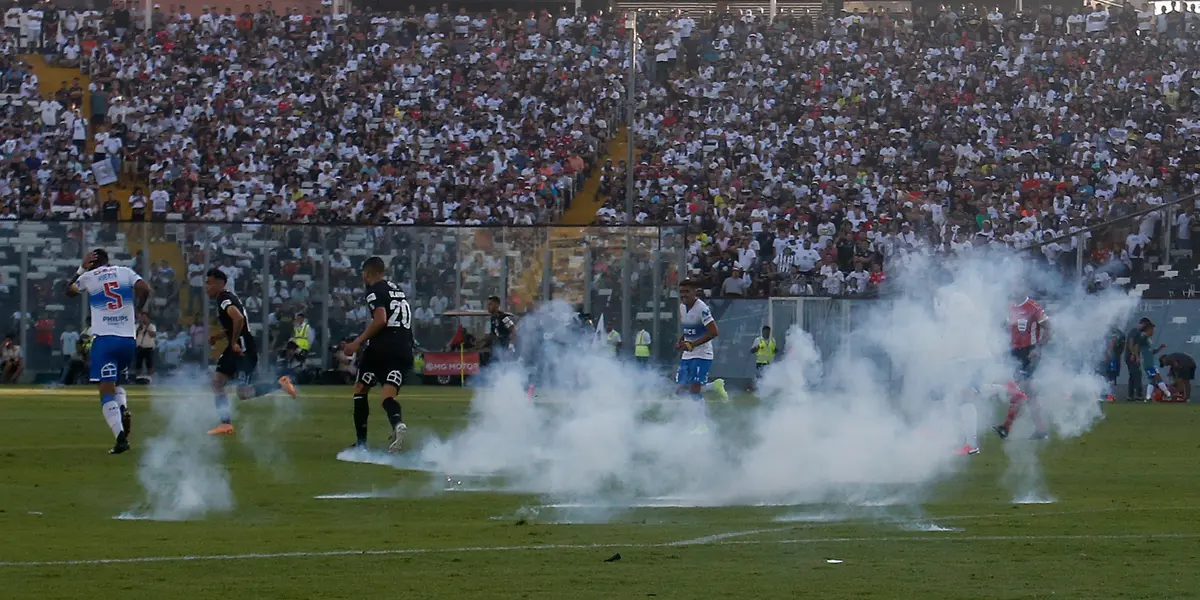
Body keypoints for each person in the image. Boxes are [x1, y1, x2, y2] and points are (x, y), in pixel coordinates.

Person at [65, 249, 151, 454]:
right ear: (108, 261)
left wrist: (81, 268)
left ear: (92, 263)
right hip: (128, 341)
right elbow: (145, 289)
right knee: (116, 383)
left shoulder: (89, 276)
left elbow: (69, 291)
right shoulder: (125, 272)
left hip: (105, 340)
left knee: (105, 391)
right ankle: (122, 408)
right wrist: (138, 309)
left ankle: (121, 439)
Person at [205, 268, 296, 435]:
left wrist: (233, 343)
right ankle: (225, 424)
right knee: (218, 383)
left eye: (209, 283)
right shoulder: (225, 298)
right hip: (239, 346)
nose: (206, 287)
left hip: (242, 348)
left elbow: (238, 319)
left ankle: (280, 383)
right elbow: (236, 322)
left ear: (220, 283)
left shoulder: (224, 299)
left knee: (243, 393)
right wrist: (219, 337)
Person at [342, 257, 414, 453]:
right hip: (404, 348)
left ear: (368, 273)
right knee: (387, 396)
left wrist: (357, 342)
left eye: (363, 273)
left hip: (382, 347)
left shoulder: (374, 291)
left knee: (360, 389)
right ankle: (398, 425)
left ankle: (361, 444)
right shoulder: (397, 289)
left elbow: (380, 319)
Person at [995, 289, 1050, 440]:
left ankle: (1006, 427)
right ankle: (1041, 430)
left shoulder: (1034, 306)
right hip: (1014, 352)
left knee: (1020, 389)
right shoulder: (1010, 307)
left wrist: (1038, 348)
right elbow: (1005, 328)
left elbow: (1049, 328)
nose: (1015, 290)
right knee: (1029, 393)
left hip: (1030, 353)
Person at [676, 279, 728, 433]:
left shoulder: (702, 308)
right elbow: (688, 330)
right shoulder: (681, 307)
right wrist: (681, 341)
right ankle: (714, 386)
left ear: (694, 292)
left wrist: (693, 345)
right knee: (680, 389)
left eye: (687, 292)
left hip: (702, 354)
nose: (684, 295)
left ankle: (702, 424)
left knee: (694, 390)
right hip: (688, 354)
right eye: (681, 292)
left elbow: (714, 332)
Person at [1129, 319, 1170, 402]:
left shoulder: (1148, 339)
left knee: (1152, 380)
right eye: (1152, 329)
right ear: (1147, 329)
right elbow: (1136, 346)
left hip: (1150, 361)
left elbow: (1152, 352)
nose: (1153, 331)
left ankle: (1148, 397)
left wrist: (1160, 348)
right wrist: (1136, 356)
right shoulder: (1143, 337)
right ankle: (1168, 394)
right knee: (1158, 378)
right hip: (1148, 363)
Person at [485, 295, 516, 360]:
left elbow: (513, 329)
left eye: (490, 304)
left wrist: (511, 345)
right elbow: (493, 333)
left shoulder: (503, 317)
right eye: (488, 304)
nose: (488, 307)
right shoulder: (492, 318)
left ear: (497, 305)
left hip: (506, 347)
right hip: (498, 346)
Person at [748, 325, 776, 391]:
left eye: (768, 332)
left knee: (768, 378)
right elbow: (752, 351)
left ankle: (767, 390)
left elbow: (774, 350)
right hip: (760, 363)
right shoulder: (758, 340)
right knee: (760, 379)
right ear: (762, 332)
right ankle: (759, 391)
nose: (767, 333)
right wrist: (757, 348)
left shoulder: (772, 340)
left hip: (769, 363)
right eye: (766, 332)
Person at [1103, 324, 1126, 402]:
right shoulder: (1113, 333)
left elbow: (1115, 344)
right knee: (1109, 376)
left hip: (1113, 358)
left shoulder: (1117, 333)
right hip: (1111, 359)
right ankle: (1108, 395)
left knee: (1111, 376)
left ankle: (1109, 395)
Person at [134, 312, 156, 383]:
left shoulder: (151, 326)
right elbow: (134, 335)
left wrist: (147, 328)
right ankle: (138, 377)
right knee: (138, 364)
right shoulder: (137, 326)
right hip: (139, 347)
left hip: (148, 348)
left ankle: (150, 378)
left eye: (144, 317)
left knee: (149, 364)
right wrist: (139, 329)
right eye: (142, 317)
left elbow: (153, 335)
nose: (143, 319)